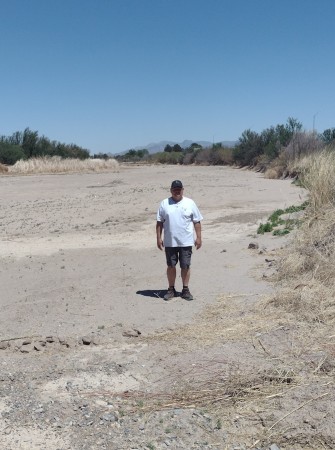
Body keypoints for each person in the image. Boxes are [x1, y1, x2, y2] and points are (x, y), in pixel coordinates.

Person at [156, 180, 203, 301]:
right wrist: (158, 238)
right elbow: (159, 222)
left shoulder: (190, 203)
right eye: (174, 189)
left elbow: (197, 221)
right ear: (171, 190)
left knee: (185, 266)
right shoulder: (164, 203)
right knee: (171, 266)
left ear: (183, 190)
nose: (177, 191)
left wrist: (199, 237)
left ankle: (185, 290)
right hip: (170, 242)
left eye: (179, 189)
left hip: (186, 241)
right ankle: (171, 289)